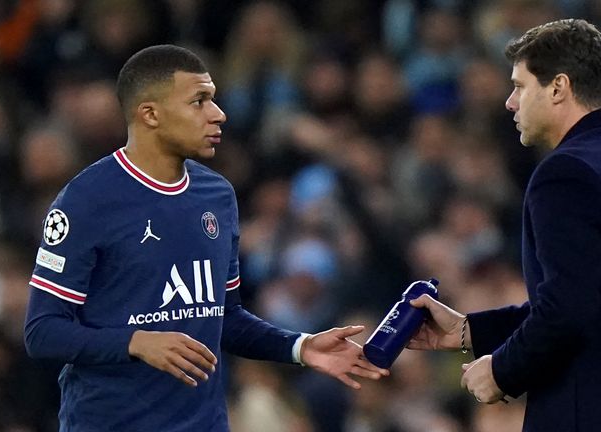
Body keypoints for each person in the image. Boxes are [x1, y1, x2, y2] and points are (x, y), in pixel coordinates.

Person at [23, 44, 387, 432]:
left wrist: (298, 347)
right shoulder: (86, 200)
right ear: (151, 114)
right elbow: (42, 331)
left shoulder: (216, 195)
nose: (218, 114)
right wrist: (135, 342)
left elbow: (223, 318)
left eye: (212, 99)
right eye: (199, 101)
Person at [407, 19, 601, 432]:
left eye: (520, 87)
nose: (509, 102)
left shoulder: (566, 172)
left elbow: (567, 312)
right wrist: (471, 331)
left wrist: (501, 371)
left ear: (558, 87)